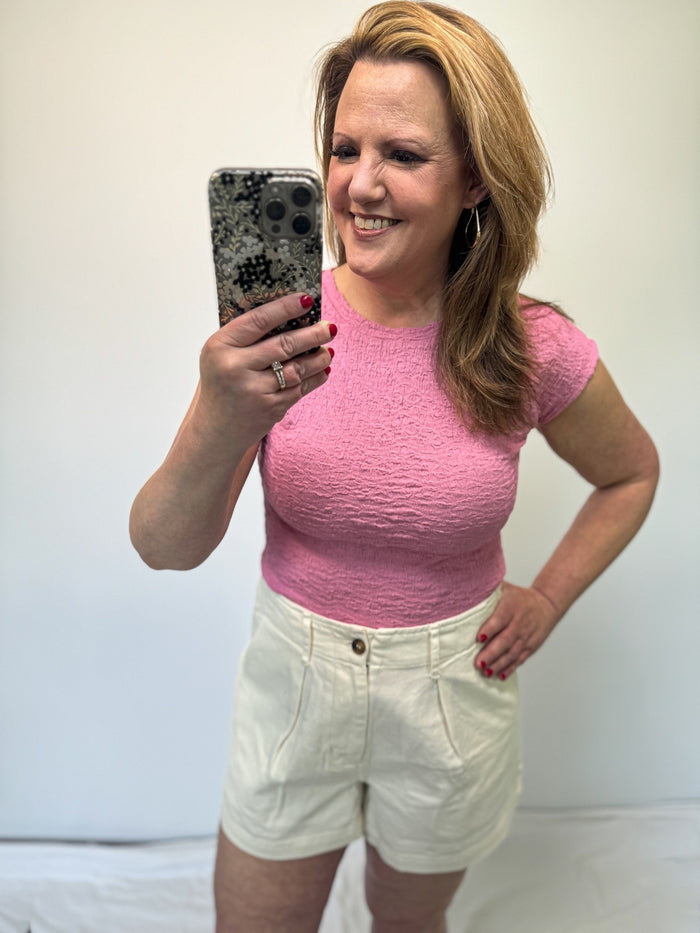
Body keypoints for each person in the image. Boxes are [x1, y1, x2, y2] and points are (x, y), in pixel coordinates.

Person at [129, 2, 659, 931]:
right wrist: (220, 412)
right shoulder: (279, 334)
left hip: (452, 696)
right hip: (295, 689)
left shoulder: (531, 346)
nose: (358, 185)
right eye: (345, 149)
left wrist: (546, 597)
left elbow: (631, 474)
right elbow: (162, 547)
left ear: (476, 178)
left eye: (403, 154)